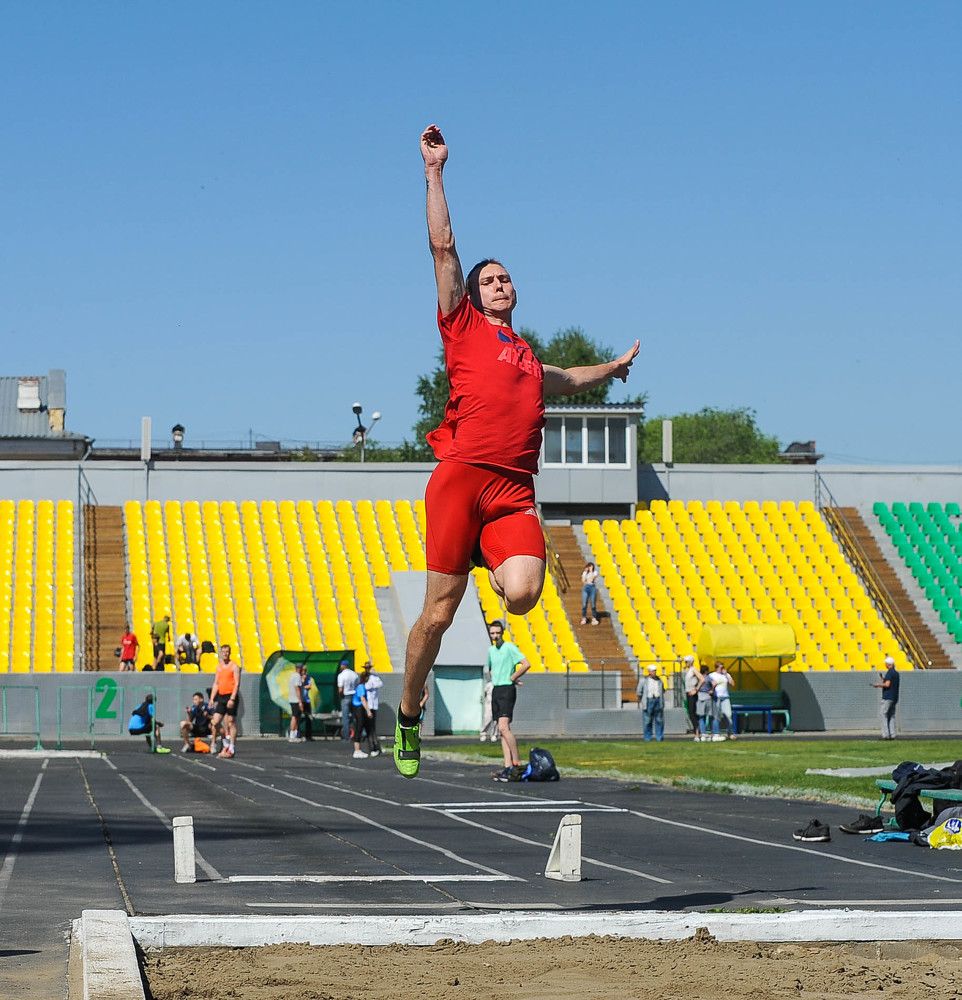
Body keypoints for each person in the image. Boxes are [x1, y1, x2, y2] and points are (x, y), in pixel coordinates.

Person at [394, 124, 639, 779]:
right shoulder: (462, 325)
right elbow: (444, 249)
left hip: (510, 489)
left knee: (525, 593)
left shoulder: (526, 356)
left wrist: (609, 371)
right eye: (491, 279)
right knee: (437, 616)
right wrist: (435, 171)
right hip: (461, 478)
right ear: (474, 296)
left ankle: (487, 552)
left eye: (507, 279)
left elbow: (561, 380)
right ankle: (409, 711)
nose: (500, 283)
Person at [484, 620, 531, 782]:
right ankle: (507, 765)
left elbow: (526, 664)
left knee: (504, 727)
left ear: (502, 633)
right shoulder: (491, 650)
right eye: (492, 633)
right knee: (502, 729)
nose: (495, 636)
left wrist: (513, 677)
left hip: (506, 690)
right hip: (497, 689)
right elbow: (491, 669)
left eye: (497, 633)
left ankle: (516, 761)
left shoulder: (509, 648)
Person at [208, 644, 241, 759]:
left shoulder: (234, 666)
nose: (225, 653)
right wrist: (212, 698)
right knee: (215, 722)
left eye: (227, 651)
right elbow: (216, 683)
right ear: (221, 653)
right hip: (221, 696)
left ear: (229, 652)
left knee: (231, 722)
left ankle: (231, 746)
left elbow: (236, 683)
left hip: (230, 696)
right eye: (223, 652)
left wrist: (232, 698)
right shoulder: (219, 667)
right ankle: (225, 741)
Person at [872, 655, 900, 740]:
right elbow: (890, 683)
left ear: (888, 664)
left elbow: (887, 685)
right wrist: (883, 679)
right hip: (894, 697)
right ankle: (892, 734)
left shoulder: (889, 672)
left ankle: (886, 735)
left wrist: (878, 685)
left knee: (883, 714)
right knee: (891, 715)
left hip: (888, 697)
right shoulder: (896, 673)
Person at [351, 666, 375, 760]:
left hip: (359, 708)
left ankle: (359, 749)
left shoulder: (361, 686)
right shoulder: (361, 687)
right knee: (359, 727)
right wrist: (368, 711)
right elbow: (362, 699)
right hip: (358, 708)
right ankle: (356, 750)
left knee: (361, 727)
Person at [708, 661, 735, 742]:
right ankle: (716, 733)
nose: (722, 669)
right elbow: (709, 684)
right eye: (721, 667)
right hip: (717, 696)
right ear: (717, 668)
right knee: (716, 716)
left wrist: (726, 675)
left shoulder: (726, 675)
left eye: (723, 667)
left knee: (728, 715)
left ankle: (730, 733)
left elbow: (732, 684)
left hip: (725, 696)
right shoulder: (712, 675)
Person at [638, 664, 665, 742]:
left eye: (655, 671)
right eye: (653, 671)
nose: (654, 672)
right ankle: (647, 738)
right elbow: (639, 692)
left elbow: (662, 690)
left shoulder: (659, 680)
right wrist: (642, 701)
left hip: (658, 700)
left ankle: (659, 738)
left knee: (659, 720)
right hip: (648, 700)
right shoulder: (643, 680)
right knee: (647, 720)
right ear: (649, 672)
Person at [336, 659, 358, 741]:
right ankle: (356, 735)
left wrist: (340, 697)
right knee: (354, 717)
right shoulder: (354, 674)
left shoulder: (341, 675)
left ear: (343, 666)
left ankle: (346, 737)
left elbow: (340, 689)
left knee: (345, 718)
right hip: (354, 696)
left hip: (345, 697)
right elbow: (356, 686)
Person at [363, 664, 383, 755]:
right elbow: (365, 687)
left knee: (372, 727)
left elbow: (379, 684)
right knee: (368, 728)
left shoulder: (374, 677)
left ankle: (375, 747)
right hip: (366, 705)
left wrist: (372, 685)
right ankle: (371, 747)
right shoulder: (363, 677)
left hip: (373, 705)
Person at [287, 664, 307, 744]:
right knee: (295, 717)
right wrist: (300, 701)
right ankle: (292, 736)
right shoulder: (297, 676)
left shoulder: (294, 676)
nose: (303, 670)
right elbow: (297, 689)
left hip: (293, 699)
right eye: (302, 669)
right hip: (295, 700)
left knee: (297, 717)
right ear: (299, 669)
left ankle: (294, 735)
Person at [479, 667, 498, 743]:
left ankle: (494, 734)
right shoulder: (489, 685)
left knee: (496, 720)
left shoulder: (498, 684)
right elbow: (485, 694)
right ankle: (483, 733)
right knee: (487, 718)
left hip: (496, 702)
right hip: (489, 703)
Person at [695, 664, 713, 742]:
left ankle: (703, 733)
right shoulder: (708, 677)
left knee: (701, 716)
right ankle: (708, 732)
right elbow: (715, 683)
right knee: (707, 716)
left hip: (700, 696)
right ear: (706, 671)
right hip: (707, 696)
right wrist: (712, 689)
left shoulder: (698, 678)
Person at [682, 655, 700, 733]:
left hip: (692, 693)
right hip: (688, 693)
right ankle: (697, 731)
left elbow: (702, 679)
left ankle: (697, 731)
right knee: (691, 713)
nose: (685, 663)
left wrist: (696, 689)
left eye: (686, 662)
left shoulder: (693, 670)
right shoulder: (689, 670)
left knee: (692, 713)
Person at [299, 664, 315, 742]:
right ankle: (297, 734)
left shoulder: (309, 677)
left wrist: (306, 684)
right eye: (303, 670)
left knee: (308, 718)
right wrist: (303, 682)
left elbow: (310, 686)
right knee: (299, 717)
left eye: (305, 670)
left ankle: (308, 735)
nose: (304, 672)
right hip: (300, 700)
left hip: (307, 700)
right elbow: (299, 687)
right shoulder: (298, 678)